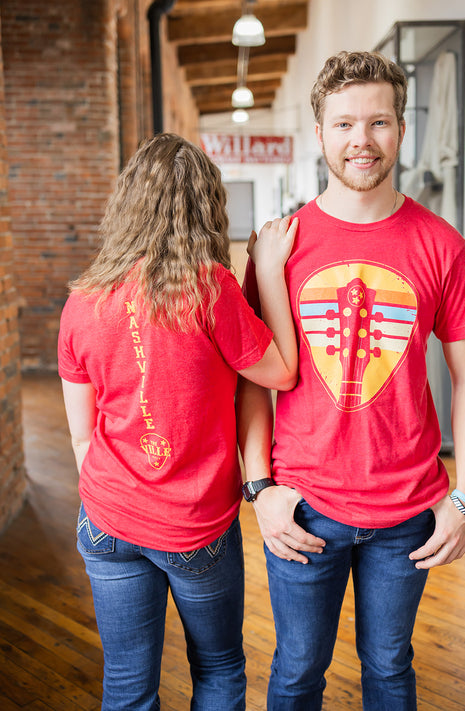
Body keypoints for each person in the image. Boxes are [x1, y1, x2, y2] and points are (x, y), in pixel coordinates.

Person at [237, 51, 465, 711]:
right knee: (295, 672)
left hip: (408, 509)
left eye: (377, 122)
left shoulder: (440, 243)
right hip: (304, 504)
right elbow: (254, 380)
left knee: (388, 668)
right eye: (344, 123)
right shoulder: (278, 246)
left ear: (400, 131)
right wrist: (259, 487)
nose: (361, 139)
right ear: (318, 134)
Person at [58, 132, 299, 711]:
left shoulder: (82, 300)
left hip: (107, 524)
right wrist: (266, 274)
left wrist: (112, 501)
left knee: (126, 686)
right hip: (193, 527)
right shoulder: (209, 288)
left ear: (127, 205)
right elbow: (283, 374)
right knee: (217, 670)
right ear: (206, 207)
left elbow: (81, 435)